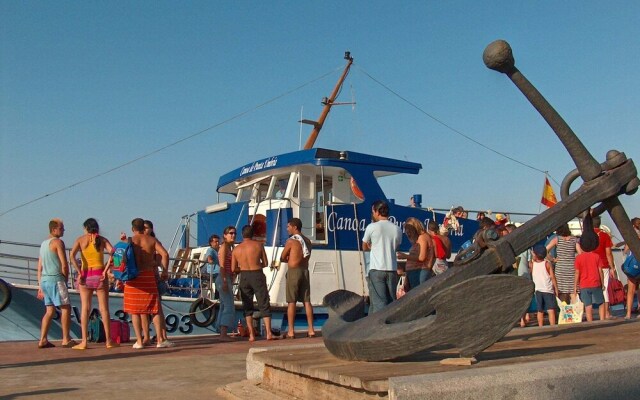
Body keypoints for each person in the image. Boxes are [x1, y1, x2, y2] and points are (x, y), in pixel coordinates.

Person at [69, 218, 118, 349]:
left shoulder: (80, 240)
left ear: (86, 228)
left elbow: (71, 255)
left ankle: (84, 341)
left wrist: (79, 271)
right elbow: (114, 253)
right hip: (100, 275)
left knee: (85, 308)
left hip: (85, 276)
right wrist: (106, 270)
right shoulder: (102, 240)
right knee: (104, 309)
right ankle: (109, 341)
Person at [125, 218, 172, 349]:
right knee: (154, 308)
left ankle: (139, 341)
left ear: (133, 228)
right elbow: (165, 254)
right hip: (148, 276)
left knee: (135, 310)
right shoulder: (152, 240)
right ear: (143, 228)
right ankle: (160, 340)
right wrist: (165, 271)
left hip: (133, 277)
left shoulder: (131, 241)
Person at [37, 218, 76, 348]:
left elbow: (40, 267)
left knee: (49, 310)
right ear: (54, 229)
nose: (63, 230)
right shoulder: (58, 242)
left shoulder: (43, 244)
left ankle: (42, 339)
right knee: (66, 307)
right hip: (56, 278)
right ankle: (66, 338)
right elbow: (64, 264)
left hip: (44, 280)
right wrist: (65, 279)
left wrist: (40, 285)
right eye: (61, 228)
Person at [231, 225, 274, 341]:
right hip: (257, 274)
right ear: (253, 234)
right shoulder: (258, 245)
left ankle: (251, 335)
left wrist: (243, 268)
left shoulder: (236, 249)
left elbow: (233, 268)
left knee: (247, 306)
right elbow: (265, 262)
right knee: (264, 303)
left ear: (242, 234)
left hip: (244, 276)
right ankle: (269, 333)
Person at [362, 200, 403, 314]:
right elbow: (396, 246)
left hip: (376, 269)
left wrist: (372, 246)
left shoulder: (372, 227)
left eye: (373, 212)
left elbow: (364, 246)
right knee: (391, 301)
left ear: (377, 212)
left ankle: (376, 328)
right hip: (392, 269)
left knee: (379, 302)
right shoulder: (397, 229)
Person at [280, 218, 315, 339]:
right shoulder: (308, 241)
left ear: (295, 227)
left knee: (292, 301)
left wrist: (289, 257)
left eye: (288, 226)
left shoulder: (291, 241)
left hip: (294, 272)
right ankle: (311, 329)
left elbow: (282, 257)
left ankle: (291, 331)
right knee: (307, 301)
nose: (287, 228)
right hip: (305, 271)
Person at [142, 220, 172, 347]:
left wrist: (163, 270)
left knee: (156, 308)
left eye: (147, 228)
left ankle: (161, 336)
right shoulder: (147, 241)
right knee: (147, 309)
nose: (145, 230)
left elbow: (163, 255)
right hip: (147, 277)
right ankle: (152, 336)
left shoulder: (153, 242)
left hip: (153, 278)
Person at [546, 223, 582, 304]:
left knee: (562, 293)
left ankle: (565, 313)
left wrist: (552, 259)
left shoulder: (557, 239)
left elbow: (545, 250)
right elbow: (580, 253)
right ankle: (575, 314)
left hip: (560, 269)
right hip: (572, 268)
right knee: (573, 292)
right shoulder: (574, 239)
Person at [574, 232, 605, 322]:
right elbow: (600, 271)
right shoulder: (596, 256)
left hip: (584, 285)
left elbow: (577, 273)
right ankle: (602, 320)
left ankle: (590, 322)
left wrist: (575, 286)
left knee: (588, 305)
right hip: (596, 283)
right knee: (601, 303)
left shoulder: (578, 258)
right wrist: (602, 283)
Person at [396, 218, 434, 289]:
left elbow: (422, 257)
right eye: (406, 230)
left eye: (409, 229)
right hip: (414, 271)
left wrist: (405, 256)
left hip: (420, 271)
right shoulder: (418, 239)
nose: (407, 232)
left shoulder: (423, 237)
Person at [593, 216, 617, 319]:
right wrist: (612, 267)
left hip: (591, 264)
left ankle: (593, 313)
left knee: (590, 288)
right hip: (603, 264)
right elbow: (608, 253)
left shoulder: (587, 236)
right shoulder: (604, 235)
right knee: (605, 288)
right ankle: (606, 313)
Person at [531, 244, 559, 326]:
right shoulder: (547, 264)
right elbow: (553, 277)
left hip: (538, 290)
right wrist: (556, 288)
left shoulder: (532, 264)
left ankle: (540, 326)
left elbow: (532, 262)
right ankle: (552, 326)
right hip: (548, 290)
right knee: (551, 310)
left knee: (540, 310)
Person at [216, 227, 236, 341]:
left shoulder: (230, 247)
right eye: (230, 233)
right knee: (228, 305)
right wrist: (224, 280)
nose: (233, 235)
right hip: (223, 278)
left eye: (234, 233)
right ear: (225, 235)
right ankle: (223, 333)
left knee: (224, 305)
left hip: (227, 277)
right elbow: (222, 265)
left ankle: (221, 332)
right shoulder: (224, 248)